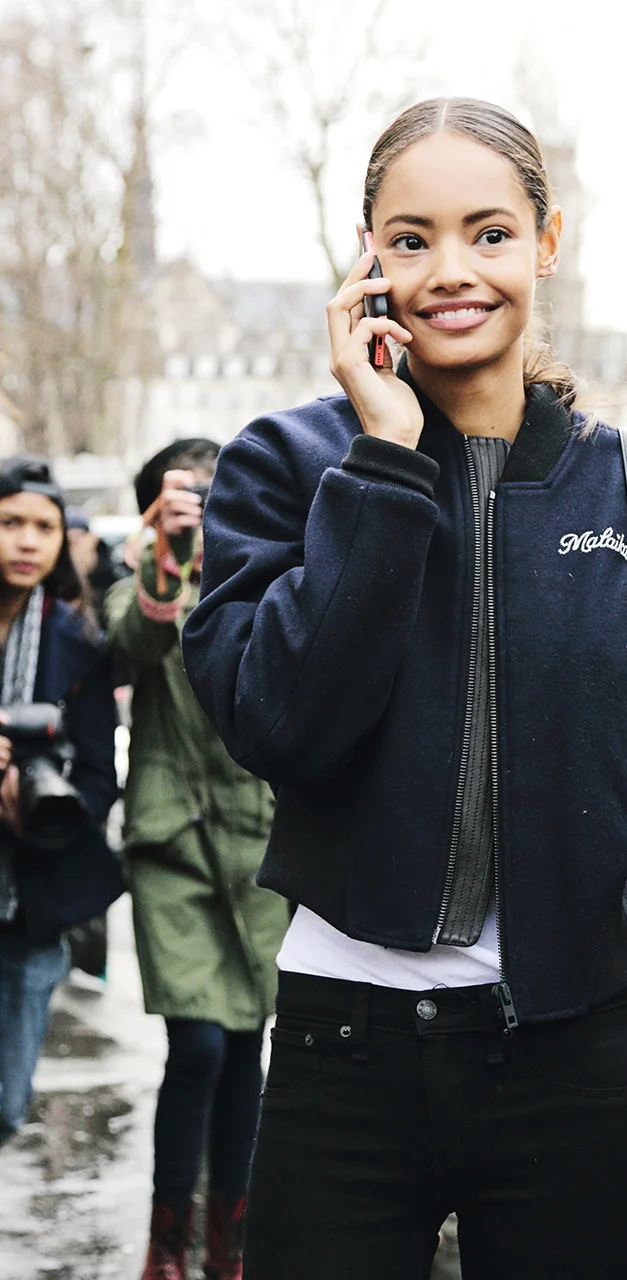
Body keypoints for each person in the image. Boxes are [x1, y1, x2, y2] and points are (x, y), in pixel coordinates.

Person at [182, 98, 627, 1280]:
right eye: (409, 239)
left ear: (547, 241)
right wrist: (385, 464)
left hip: (572, 1063)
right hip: (335, 1056)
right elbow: (279, 723)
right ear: (364, 261)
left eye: (489, 232)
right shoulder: (286, 468)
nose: (450, 270)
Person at [105, 439, 289, 1280]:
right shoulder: (145, 584)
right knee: (202, 1046)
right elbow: (133, 643)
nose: (199, 509)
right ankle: (165, 1246)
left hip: (256, 849)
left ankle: (229, 1245)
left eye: (211, 494)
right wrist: (162, 556)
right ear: (152, 509)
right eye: (180, 498)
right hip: (174, 847)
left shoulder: (259, 578)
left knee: (245, 1047)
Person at [0, 456, 118, 1144]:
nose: (27, 541)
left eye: (43, 527)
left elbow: (101, 779)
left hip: (29, 902)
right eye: (10, 522)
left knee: (7, 1107)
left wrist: (40, 808)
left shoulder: (81, 644)